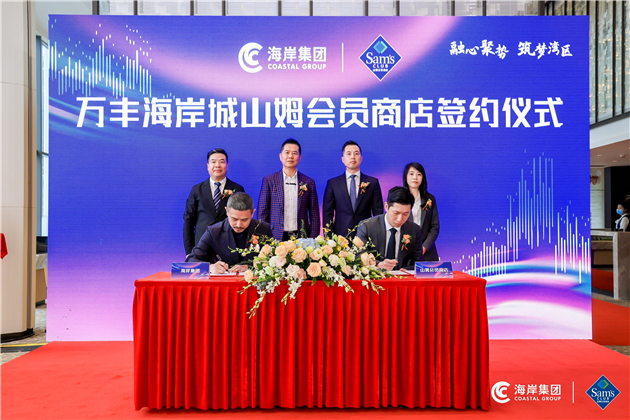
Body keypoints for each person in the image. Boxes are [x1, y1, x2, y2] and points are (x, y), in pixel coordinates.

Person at [187, 192, 273, 274]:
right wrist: (210, 267)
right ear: (227, 211)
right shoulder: (214, 231)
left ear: (252, 213)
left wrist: (251, 267)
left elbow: (274, 260)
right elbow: (190, 261)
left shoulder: (263, 229)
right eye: (234, 219)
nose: (239, 225)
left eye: (244, 220)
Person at [183, 148, 245, 254]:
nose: (217, 165)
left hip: (229, 246)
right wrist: (189, 252)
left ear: (227, 166)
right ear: (208, 166)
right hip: (202, 245)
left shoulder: (237, 189)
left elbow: (243, 219)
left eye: (221, 162)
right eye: (213, 162)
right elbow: (189, 221)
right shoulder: (197, 190)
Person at [258, 138, 320, 240]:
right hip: (275, 236)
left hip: (302, 237)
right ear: (280, 156)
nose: (290, 156)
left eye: (294, 153)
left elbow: (314, 215)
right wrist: (265, 238)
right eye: (287, 152)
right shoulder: (269, 181)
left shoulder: (309, 182)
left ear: (299, 157)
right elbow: (262, 212)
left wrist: (313, 239)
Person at [322, 141, 384, 238]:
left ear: (361, 158)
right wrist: (329, 239)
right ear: (343, 159)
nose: (352, 157)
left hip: (366, 236)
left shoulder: (372, 183)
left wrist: (377, 236)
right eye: (348, 154)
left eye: (356, 153)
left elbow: (378, 213)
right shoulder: (333, 183)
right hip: (340, 238)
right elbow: (327, 214)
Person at [356, 186, 423, 271]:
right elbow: (359, 256)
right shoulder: (367, 226)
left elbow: (418, 262)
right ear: (386, 207)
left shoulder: (414, 230)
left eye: (405, 214)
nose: (400, 219)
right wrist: (378, 264)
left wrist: (406, 270)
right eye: (396, 213)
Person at [403, 162, 440, 261]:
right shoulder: (399, 198)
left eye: (419, 174)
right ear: (406, 176)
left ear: (423, 177)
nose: (415, 177)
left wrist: (424, 247)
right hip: (404, 251)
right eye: (411, 174)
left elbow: (435, 227)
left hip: (427, 252)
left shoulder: (430, 199)